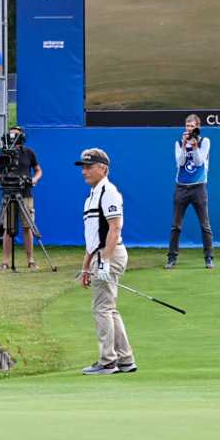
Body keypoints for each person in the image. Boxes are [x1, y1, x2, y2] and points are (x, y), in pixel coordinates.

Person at [77, 148, 136, 375]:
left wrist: (104, 262)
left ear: (103, 168)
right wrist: (86, 266)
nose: (84, 171)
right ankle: (125, 359)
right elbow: (92, 237)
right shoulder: (92, 195)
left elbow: (114, 227)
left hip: (110, 253)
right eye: (83, 167)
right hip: (100, 254)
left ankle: (107, 361)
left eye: (88, 167)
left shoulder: (108, 191)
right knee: (109, 309)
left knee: (101, 308)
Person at [167, 114, 215, 268]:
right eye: (187, 126)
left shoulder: (205, 142)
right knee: (176, 225)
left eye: (192, 126)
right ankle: (172, 258)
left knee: (205, 225)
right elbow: (180, 162)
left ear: (197, 127)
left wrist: (194, 146)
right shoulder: (178, 142)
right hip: (181, 187)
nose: (189, 129)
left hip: (199, 187)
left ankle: (209, 258)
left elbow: (199, 161)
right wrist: (183, 145)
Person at [0, 125, 42, 270]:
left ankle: (30, 260)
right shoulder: (4, 153)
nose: (13, 137)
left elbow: (38, 170)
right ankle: (5, 261)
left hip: (26, 194)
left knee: (27, 227)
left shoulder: (29, 153)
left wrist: (34, 179)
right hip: (9, 193)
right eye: (11, 134)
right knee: (8, 229)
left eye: (16, 135)